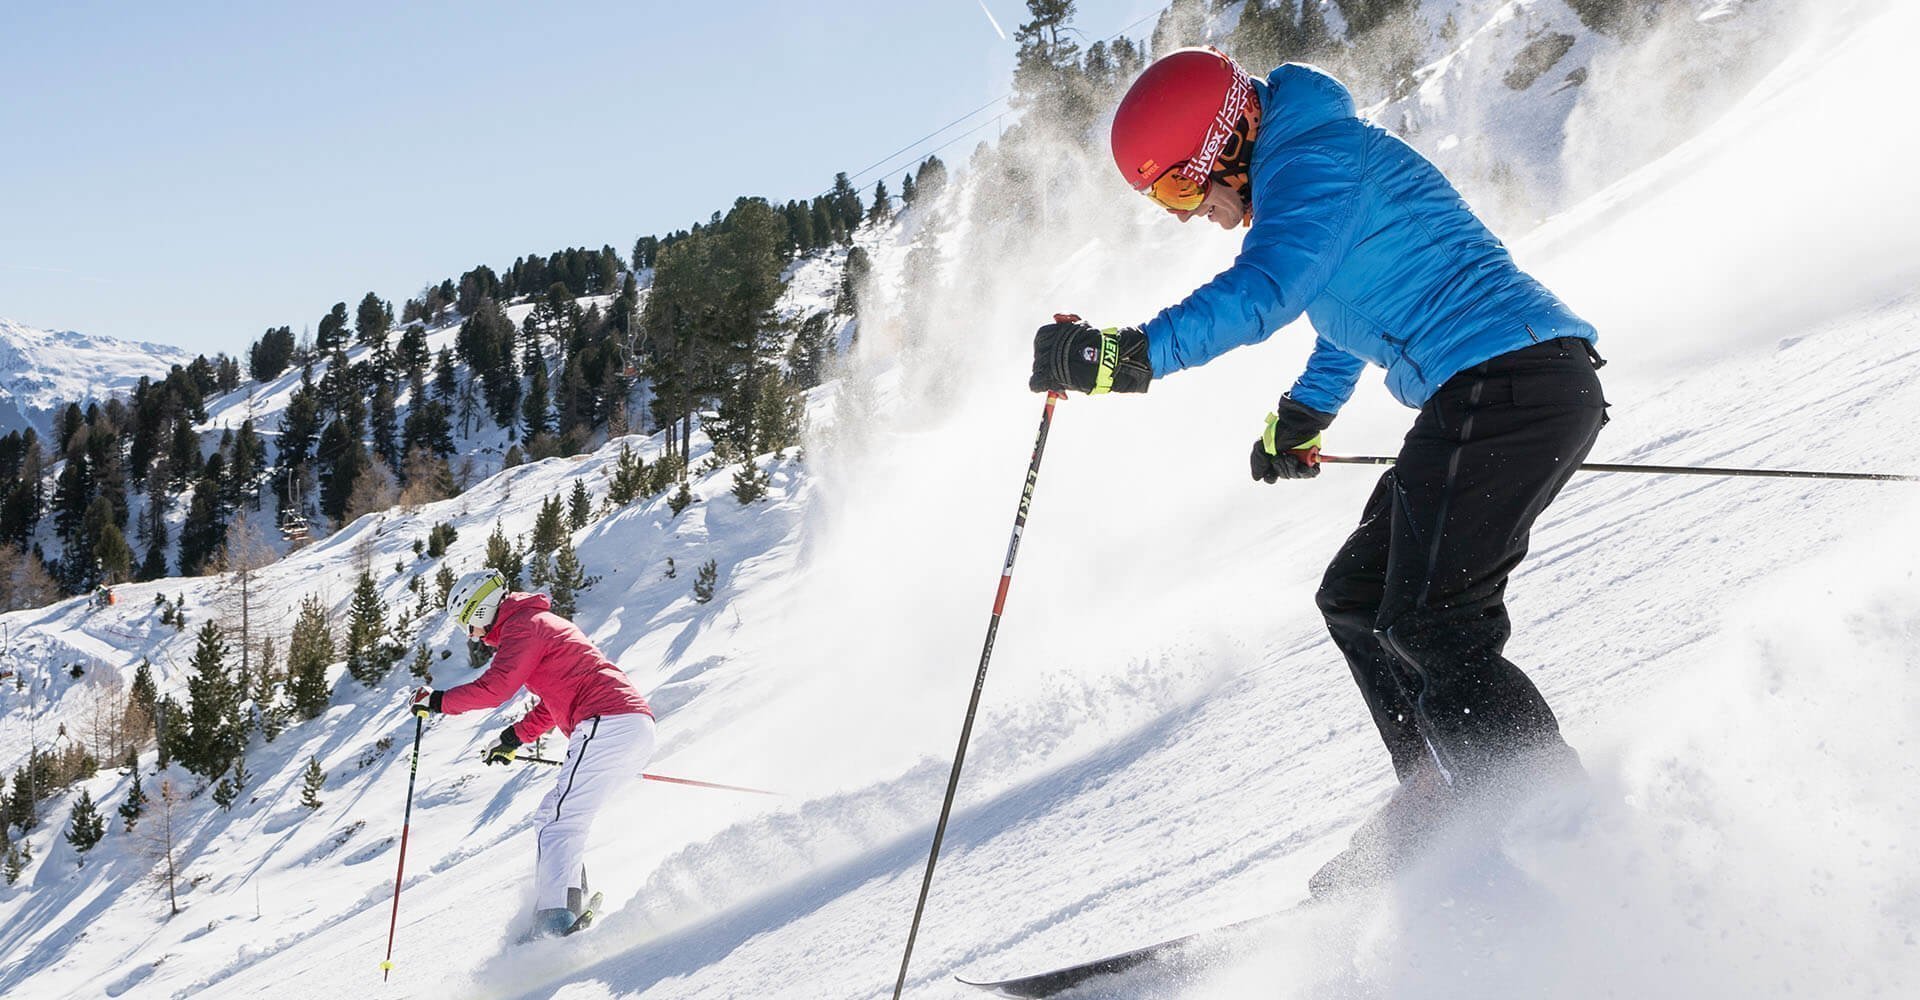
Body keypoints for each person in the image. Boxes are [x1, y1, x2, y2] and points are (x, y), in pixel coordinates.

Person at [1029, 48, 1607, 896]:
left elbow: (1269, 289)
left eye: (1182, 190)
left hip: (1510, 381)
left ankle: (1560, 829)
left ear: (1226, 143)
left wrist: (1127, 355)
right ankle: (1443, 791)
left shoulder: (1312, 161)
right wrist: (1303, 416)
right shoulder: (1310, 169)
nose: (1189, 216)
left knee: (1436, 622)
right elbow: (1339, 313)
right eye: (1166, 203)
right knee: (1359, 597)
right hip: (1495, 389)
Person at [407, 569, 656, 937]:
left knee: (558, 820)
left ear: (480, 611)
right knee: (554, 817)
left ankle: (556, 921)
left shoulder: (524, 626)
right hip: (625, 724)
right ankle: (570, 902)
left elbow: (494, 688)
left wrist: (440, 701)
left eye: (467, 624)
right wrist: (513, 738)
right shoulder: (535, 623)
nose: (471, 635)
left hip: (608, 721)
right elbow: (554, 700)